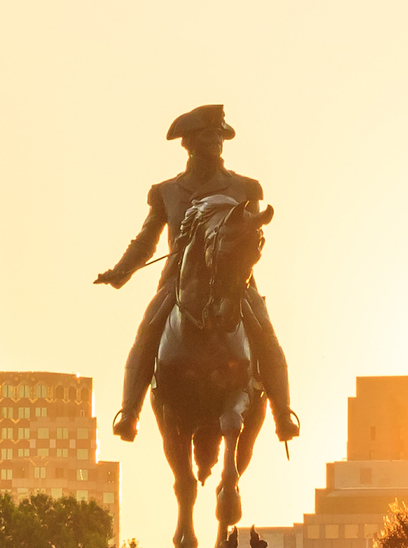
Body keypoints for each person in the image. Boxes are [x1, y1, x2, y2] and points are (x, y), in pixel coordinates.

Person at [94, 103, 299, 446]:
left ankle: (283, 414)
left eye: (220, 136)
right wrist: (121, 271)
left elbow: (256, 237)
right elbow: (146, 241)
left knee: (266, 334)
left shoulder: (246, 188)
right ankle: (129, 413)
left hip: (234, 283)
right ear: (188, 143)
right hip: (179, 284)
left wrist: (246, 252)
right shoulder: (167, 192)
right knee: (147, 332)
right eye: (208, 136)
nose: (216, 142)